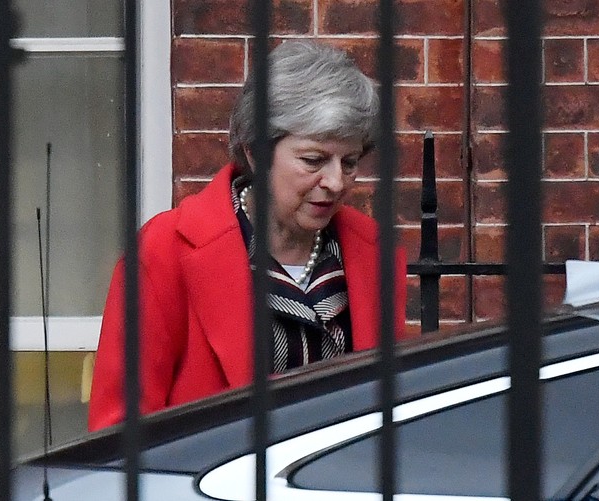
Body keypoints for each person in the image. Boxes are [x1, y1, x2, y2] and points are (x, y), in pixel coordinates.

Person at [88, 40, 410, 431]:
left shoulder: (374, 252)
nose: (335, 181)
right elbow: (120, 432)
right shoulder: (163, 251)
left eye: (351, 161)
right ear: (255, 152)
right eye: (313, 160)